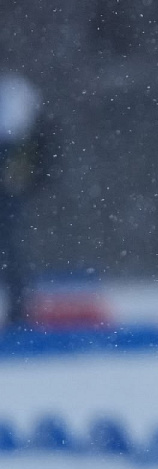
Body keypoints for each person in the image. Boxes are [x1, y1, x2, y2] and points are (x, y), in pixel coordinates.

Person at [0, 71, 49, 330]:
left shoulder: (16, 93)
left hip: (10, 190)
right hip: (12, 187)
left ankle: (19, 312)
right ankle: (19, 310)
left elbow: (38, 147)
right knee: (11, 249)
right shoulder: (18, 94)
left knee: (10, 249)